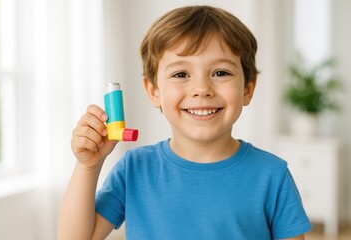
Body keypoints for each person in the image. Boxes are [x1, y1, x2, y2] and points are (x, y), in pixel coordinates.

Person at [58, 5, 312, 240]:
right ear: (153, 91)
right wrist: (88, 166)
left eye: (220, 73)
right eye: (181, 74)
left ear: (247, 88)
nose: (202, 89)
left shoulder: (272, 174)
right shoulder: (133, 169)